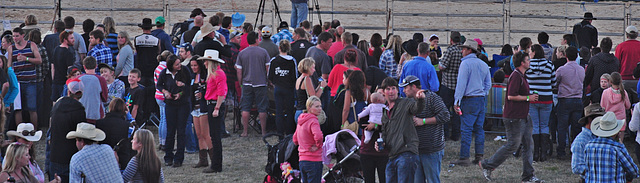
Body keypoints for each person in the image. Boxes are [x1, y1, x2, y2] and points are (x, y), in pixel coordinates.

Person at [480, 51, 544, 183]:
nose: (529, 62)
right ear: (522, 63)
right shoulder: (516, 76)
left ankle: (528, 176)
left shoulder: (522, 75)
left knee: (528, 145)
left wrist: (529, 98)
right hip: (514, 117)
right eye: (528, 60)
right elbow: (510, 96)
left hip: (524, 116)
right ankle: (487, 165)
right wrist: (528, 98)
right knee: (512, 145)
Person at [397, 75, 449, 183]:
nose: (404, 90)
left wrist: (424, 121)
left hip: (431, 149)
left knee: (432, 180)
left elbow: (445, 115)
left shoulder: (431, 98)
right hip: (416, 150)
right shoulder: (408, 102)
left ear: (414, 87)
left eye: (406, 87)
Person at [450, 39, 491, 166]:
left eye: (463, 49)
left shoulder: (465, 64)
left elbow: (461, 85)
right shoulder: (483, 64)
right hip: (480, 99)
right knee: (479, 129)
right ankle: (479, 156)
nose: (462, 51)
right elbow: (488, 84)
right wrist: (483, 93)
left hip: (469, 99)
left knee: (466, 129)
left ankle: (464, 157)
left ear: (469, 50)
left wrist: (457, 101)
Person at [375, 77, 423, 183]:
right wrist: (380, 145)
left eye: (393, 88)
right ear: (383, 92)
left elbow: (417, 108)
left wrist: (420, 100)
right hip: (392, 155)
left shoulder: (406, 103)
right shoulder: (385, 111)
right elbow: (385, 134)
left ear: (397, 90)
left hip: (407, 153)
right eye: (388, 89)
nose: (391, 92)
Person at [46, 78, 85, 182]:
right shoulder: (79, 111)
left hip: (55, 155)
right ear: (81, 94)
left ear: (68, 91)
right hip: (70, 156)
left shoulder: (57, 105)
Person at [157, 54, 191, 167]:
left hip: (183, 104)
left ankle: (179, 158)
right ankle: (168, 156)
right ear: (171, 66)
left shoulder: (184, 70)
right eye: (177, 64)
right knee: (170, 131)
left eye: (179, 63)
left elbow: (190, 86)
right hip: (170, 104)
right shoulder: (165, 73)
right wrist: (165, 92)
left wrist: (181, 91)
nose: (179, 65)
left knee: (181, 131)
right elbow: (159, 85)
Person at [584, 112, 639, 182]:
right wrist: (621, 144)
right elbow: (634, 171)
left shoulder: (588, 146)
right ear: (616, 132)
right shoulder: (617, 148)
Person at [236, 31, 270, 137]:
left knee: (245, 107)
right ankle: (263, 131)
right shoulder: (263, 52)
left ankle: (245, 131)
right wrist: (267, 80)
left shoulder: (242, 53)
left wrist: (241, 82)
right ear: (256, 40)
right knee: (262, 108)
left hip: (247, 83)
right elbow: (268, 68)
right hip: (261, 83)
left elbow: (239, 71)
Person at [525, 44, 556, 162]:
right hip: (547, 97)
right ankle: (543, 153)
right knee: (544, 125)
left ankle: (535, 153)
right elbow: (553, 82)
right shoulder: (549, 65)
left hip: (532, 98)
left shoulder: (528, 65)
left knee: (535, 125)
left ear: (534, 53)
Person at [556, 46, 584, 159]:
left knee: (562, 127)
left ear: (565, 56)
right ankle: (575, 150)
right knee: (576, 127)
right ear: (577, 56)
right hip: (578, 99)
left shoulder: (561, 70)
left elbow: (555, 82)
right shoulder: (581, 69)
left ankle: (561, 151)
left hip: (565, 99)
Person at [201, 50, 227, 173]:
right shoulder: (215, 73)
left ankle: (216, 165)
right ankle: (216, 164)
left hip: (214, 105)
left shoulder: (218, 74)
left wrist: (216, 108)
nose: (204, 63)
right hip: (212, 105)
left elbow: (221, 93)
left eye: (206, 61)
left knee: (215, 136)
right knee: (214, 136)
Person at [268, 40, 298, 135]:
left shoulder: (274, 60)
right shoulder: (292, 61)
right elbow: (295, 76)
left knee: (279, 111)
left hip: (278, 88)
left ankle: (280, 133)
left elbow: (270, 75)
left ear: (279, 48)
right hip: (289, 88)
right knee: (289, 111)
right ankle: (289, 132)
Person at [438, 31, 463, 141]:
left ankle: (445, 133)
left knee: (445, 109)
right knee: (457, 110)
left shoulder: (450, 50)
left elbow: (442, 66)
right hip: (459, 85)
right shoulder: (463, 51)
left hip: (447, 84)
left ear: (451, 40)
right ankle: (456, 134)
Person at [293, 96, 324, 183]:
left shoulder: (300, 121)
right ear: (309, 108)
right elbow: (319, 136)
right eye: (317, 106)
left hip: (302, 161)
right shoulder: (313, 121)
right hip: (314, 160)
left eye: (320, 106)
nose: (320, 109)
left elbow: (295, 139)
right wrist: (318, 146)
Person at [571, 104, 605, 181]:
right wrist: (599, 172)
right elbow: (577, 167)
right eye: (599, 119)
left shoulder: (601, 135)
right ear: (590, 120)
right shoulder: (581, 141)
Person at [95, 98, 131, 170]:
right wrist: (129, 116)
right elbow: (136, 131)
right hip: (122, 161)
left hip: (103, 160)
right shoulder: (126, 125)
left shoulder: (99, 123)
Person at [190, 55, 210, 169]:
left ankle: (212, 158)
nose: (193, 67)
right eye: (192, 65)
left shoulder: (205, 75)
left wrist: (203, 94)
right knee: (198, 134)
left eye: (195, 65)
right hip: (195, 108)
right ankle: (203, 160)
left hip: (203, 107)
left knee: (205, 134)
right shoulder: (193, 76)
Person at [584, 37, 619, 102]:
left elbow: (588, 76)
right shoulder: (616, 60)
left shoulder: (594, 59)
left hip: (596, 91)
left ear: (601, 47)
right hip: (612, 91)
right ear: (610, 48)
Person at [295, 58, 327, 123]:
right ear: (308, 68)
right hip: (305, 113)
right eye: (313, 68)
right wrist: (322, 87)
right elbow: (314, 98)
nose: (314, 70)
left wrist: (319, 86)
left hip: (299, 111)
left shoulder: (299, 79)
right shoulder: (307, 79)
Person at [600, 72, 630, 141]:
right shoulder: (624, 92)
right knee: (620, 142)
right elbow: (628, 106)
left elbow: (602, 107)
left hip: (609, 121)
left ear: (610, 82)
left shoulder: (605, 92)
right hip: (621, 122)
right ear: (621, 81)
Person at [78, 56, 108, 122]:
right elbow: (105, 98)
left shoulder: (78, 79)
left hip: (80, 114)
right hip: (96, 115)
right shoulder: (100, 79)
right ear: (96, 66)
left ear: (84, 66)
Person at [51, 30, 76, 101]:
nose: (73, 40)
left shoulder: (56, 49)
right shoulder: (68, 52)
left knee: (55, 102)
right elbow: (70, 69)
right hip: (64, 82)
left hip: (56, 81)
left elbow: (52, 66)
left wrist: (53, 78)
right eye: (71, 38)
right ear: (65, 40)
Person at [616, 26, 640, 94]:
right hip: (638, 79)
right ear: (637, 35)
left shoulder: (621, 46)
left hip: (624, 78)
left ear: (626, 35)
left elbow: (617, 63)